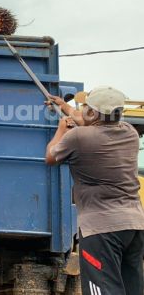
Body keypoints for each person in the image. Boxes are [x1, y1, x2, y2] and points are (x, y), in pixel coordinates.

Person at [46, 86, 144, 294]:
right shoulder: (130, 133)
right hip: (134, 226)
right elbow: (92, 123)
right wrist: (64, 106)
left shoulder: (78, 137)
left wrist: (62, 129)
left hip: (101, 229)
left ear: (92, 112)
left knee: (103, 289)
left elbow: (51, 157)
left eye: (87, 107)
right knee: (131, 289)